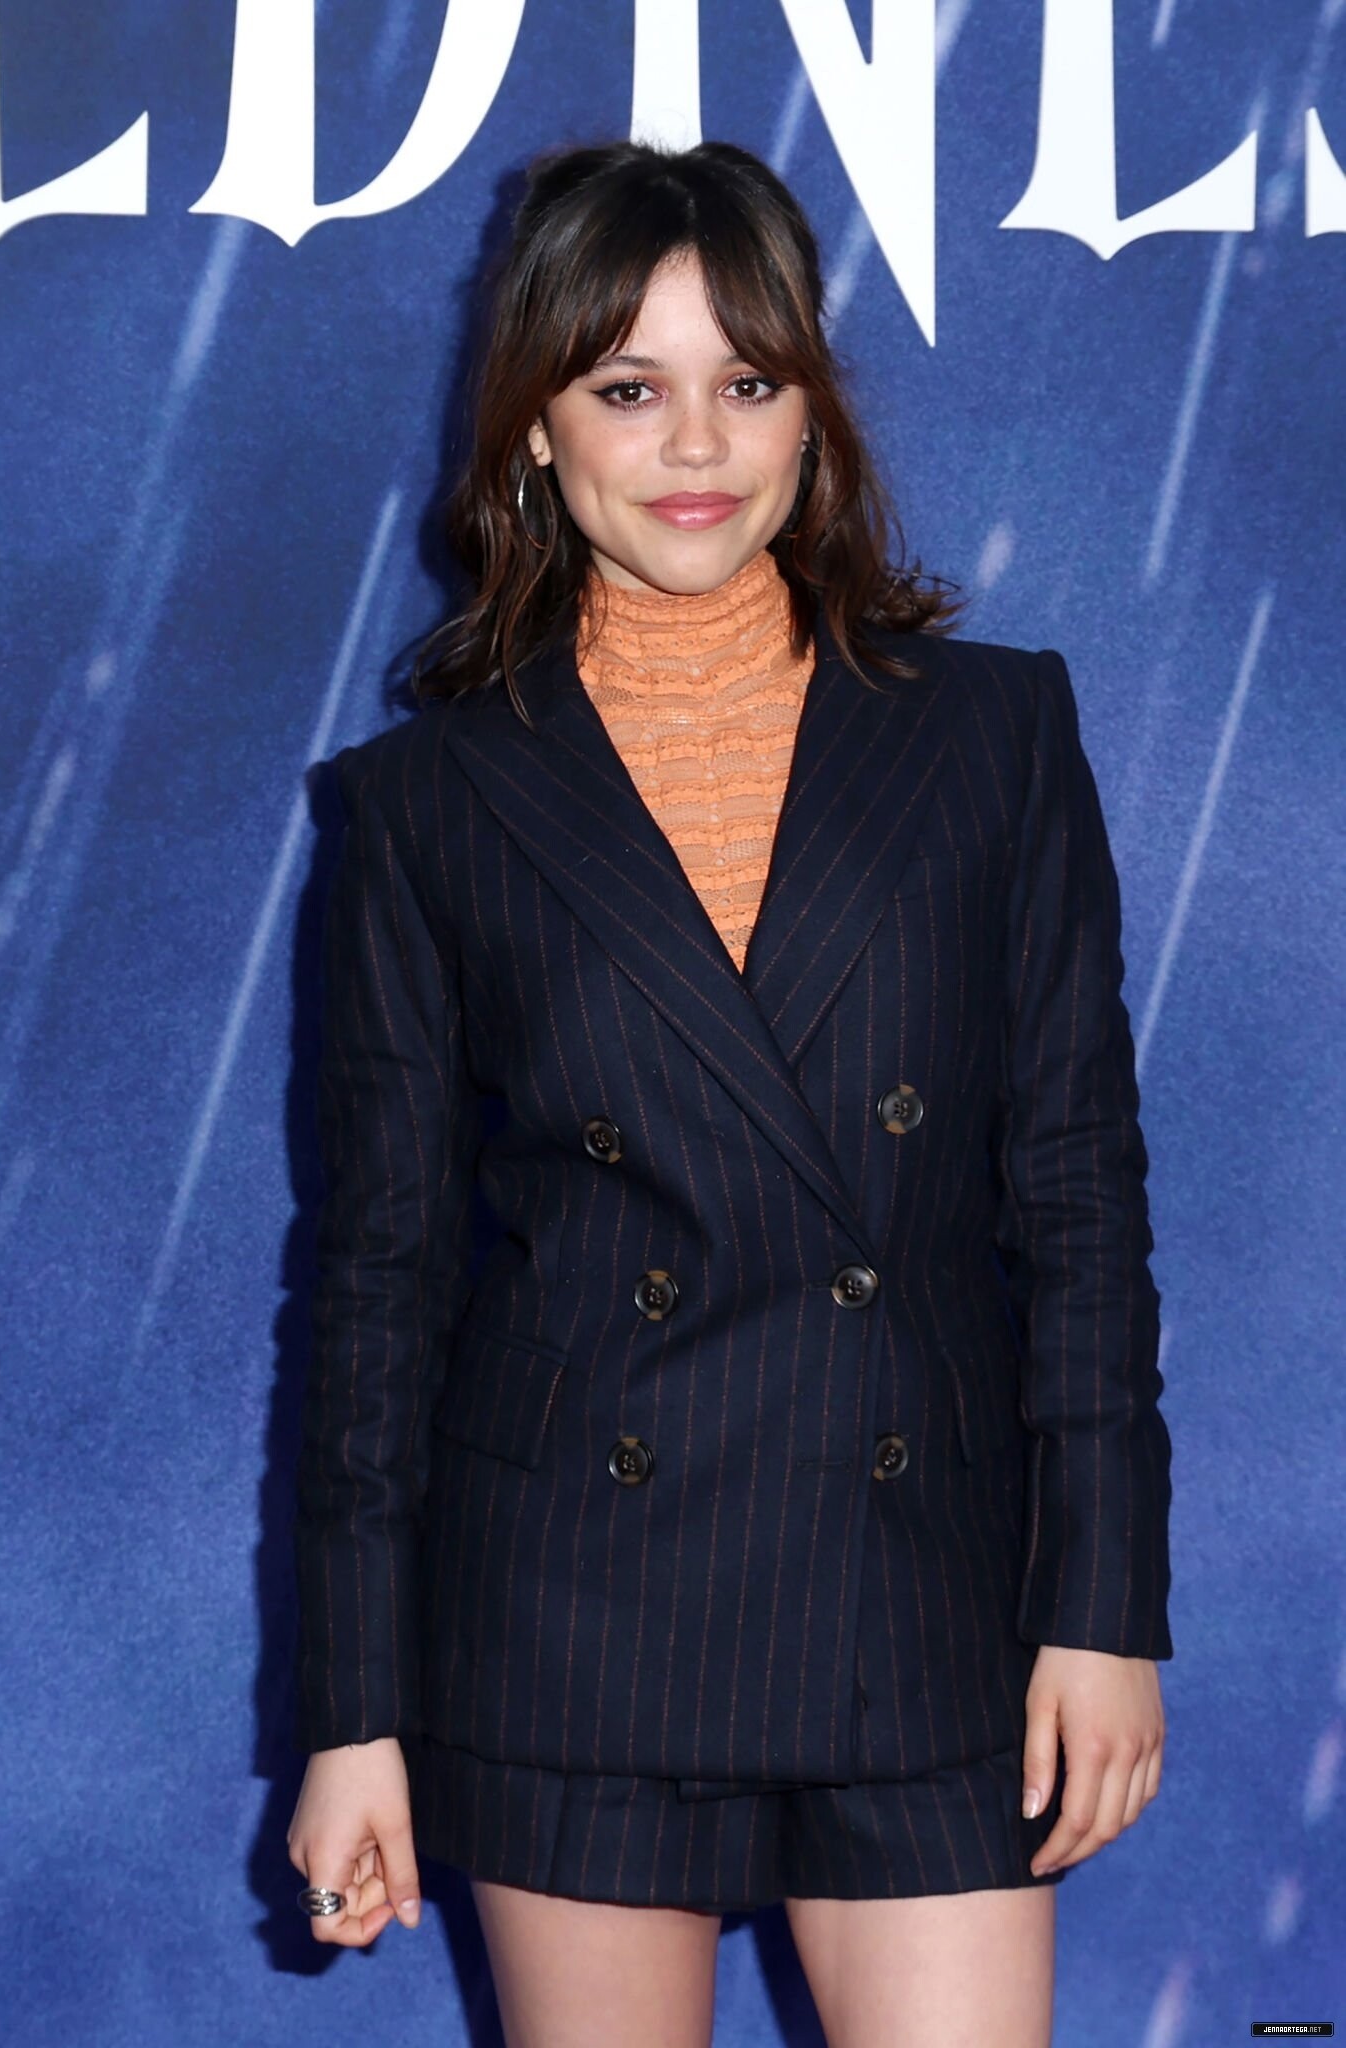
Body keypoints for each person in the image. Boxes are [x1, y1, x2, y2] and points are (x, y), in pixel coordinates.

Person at [286, 138, 1172, 2048]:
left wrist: (1102, 1605)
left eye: (747, 380)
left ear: (810, 414)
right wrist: (352, 1713)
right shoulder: (427, 808)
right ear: (534, 429)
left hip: (921, 1593)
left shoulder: (991, 733)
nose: (695, 443)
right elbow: (377, 1289)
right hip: (575, 1617)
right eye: (627, 387)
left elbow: (1079, 1197)